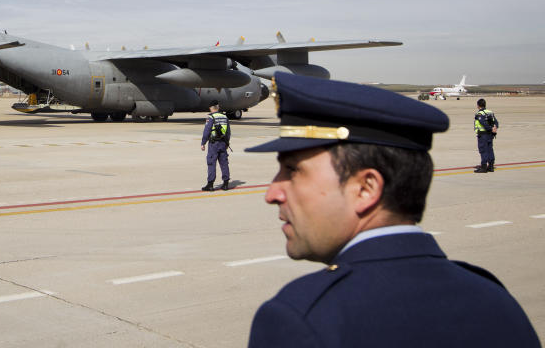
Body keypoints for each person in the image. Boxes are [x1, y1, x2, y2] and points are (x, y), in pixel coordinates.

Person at [245, 72, 539, 347]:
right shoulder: (496, 302)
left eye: (293, 170)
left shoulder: (300, 319)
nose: (272, 193)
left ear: (366, 188)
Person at [200, 100, 231, 191]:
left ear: (211, 108)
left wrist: (203, 143)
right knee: (224, 163)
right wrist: (227, 143)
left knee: (211, 163)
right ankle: (225, 184)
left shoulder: (211, 117)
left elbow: (207, 131)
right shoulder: (225, 117)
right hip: (223, 143)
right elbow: (228, 132)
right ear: (218, 107)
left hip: (214, 144)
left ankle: (210, 184)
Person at [474, 97, 499, 173]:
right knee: (490, 149)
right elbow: (496, 122)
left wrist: (490, 129)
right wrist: (495, 127)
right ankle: (491, 166)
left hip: (483, 135)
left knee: (483, 150)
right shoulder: (490, 112)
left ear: (478, 105)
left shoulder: (479, 114)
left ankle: (484, 167)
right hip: (490, 135)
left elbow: (483, 123)